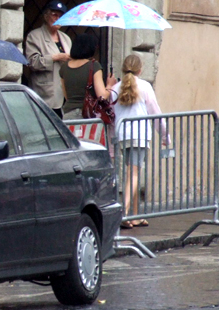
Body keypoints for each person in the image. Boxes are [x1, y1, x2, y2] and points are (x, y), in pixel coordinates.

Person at [109, 54, 170, 229]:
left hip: (122, 136)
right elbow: (155, 112)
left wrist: (112, 145)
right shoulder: (145, 86)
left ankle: (136, 215)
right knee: (133, 174)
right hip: (140, 136)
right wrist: (165, 135)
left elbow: (111, 117)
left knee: (131, 173)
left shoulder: (115, 88)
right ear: (140, 69)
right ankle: (125, 213)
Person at [24, 0, 72, 117]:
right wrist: (55, 57)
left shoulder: (66, 38)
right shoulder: (34, 36)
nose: (58, 18)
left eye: (61, 16)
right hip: (46, 94)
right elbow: (32, 63)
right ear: (46, 16)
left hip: (64, 94)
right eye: (55, 15)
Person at [59, 32, 116, 120]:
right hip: (87, 115)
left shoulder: (64, 67)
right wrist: (110, 85)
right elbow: (102, 96)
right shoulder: (94, 66)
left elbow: (66, 95)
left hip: (68, 114)